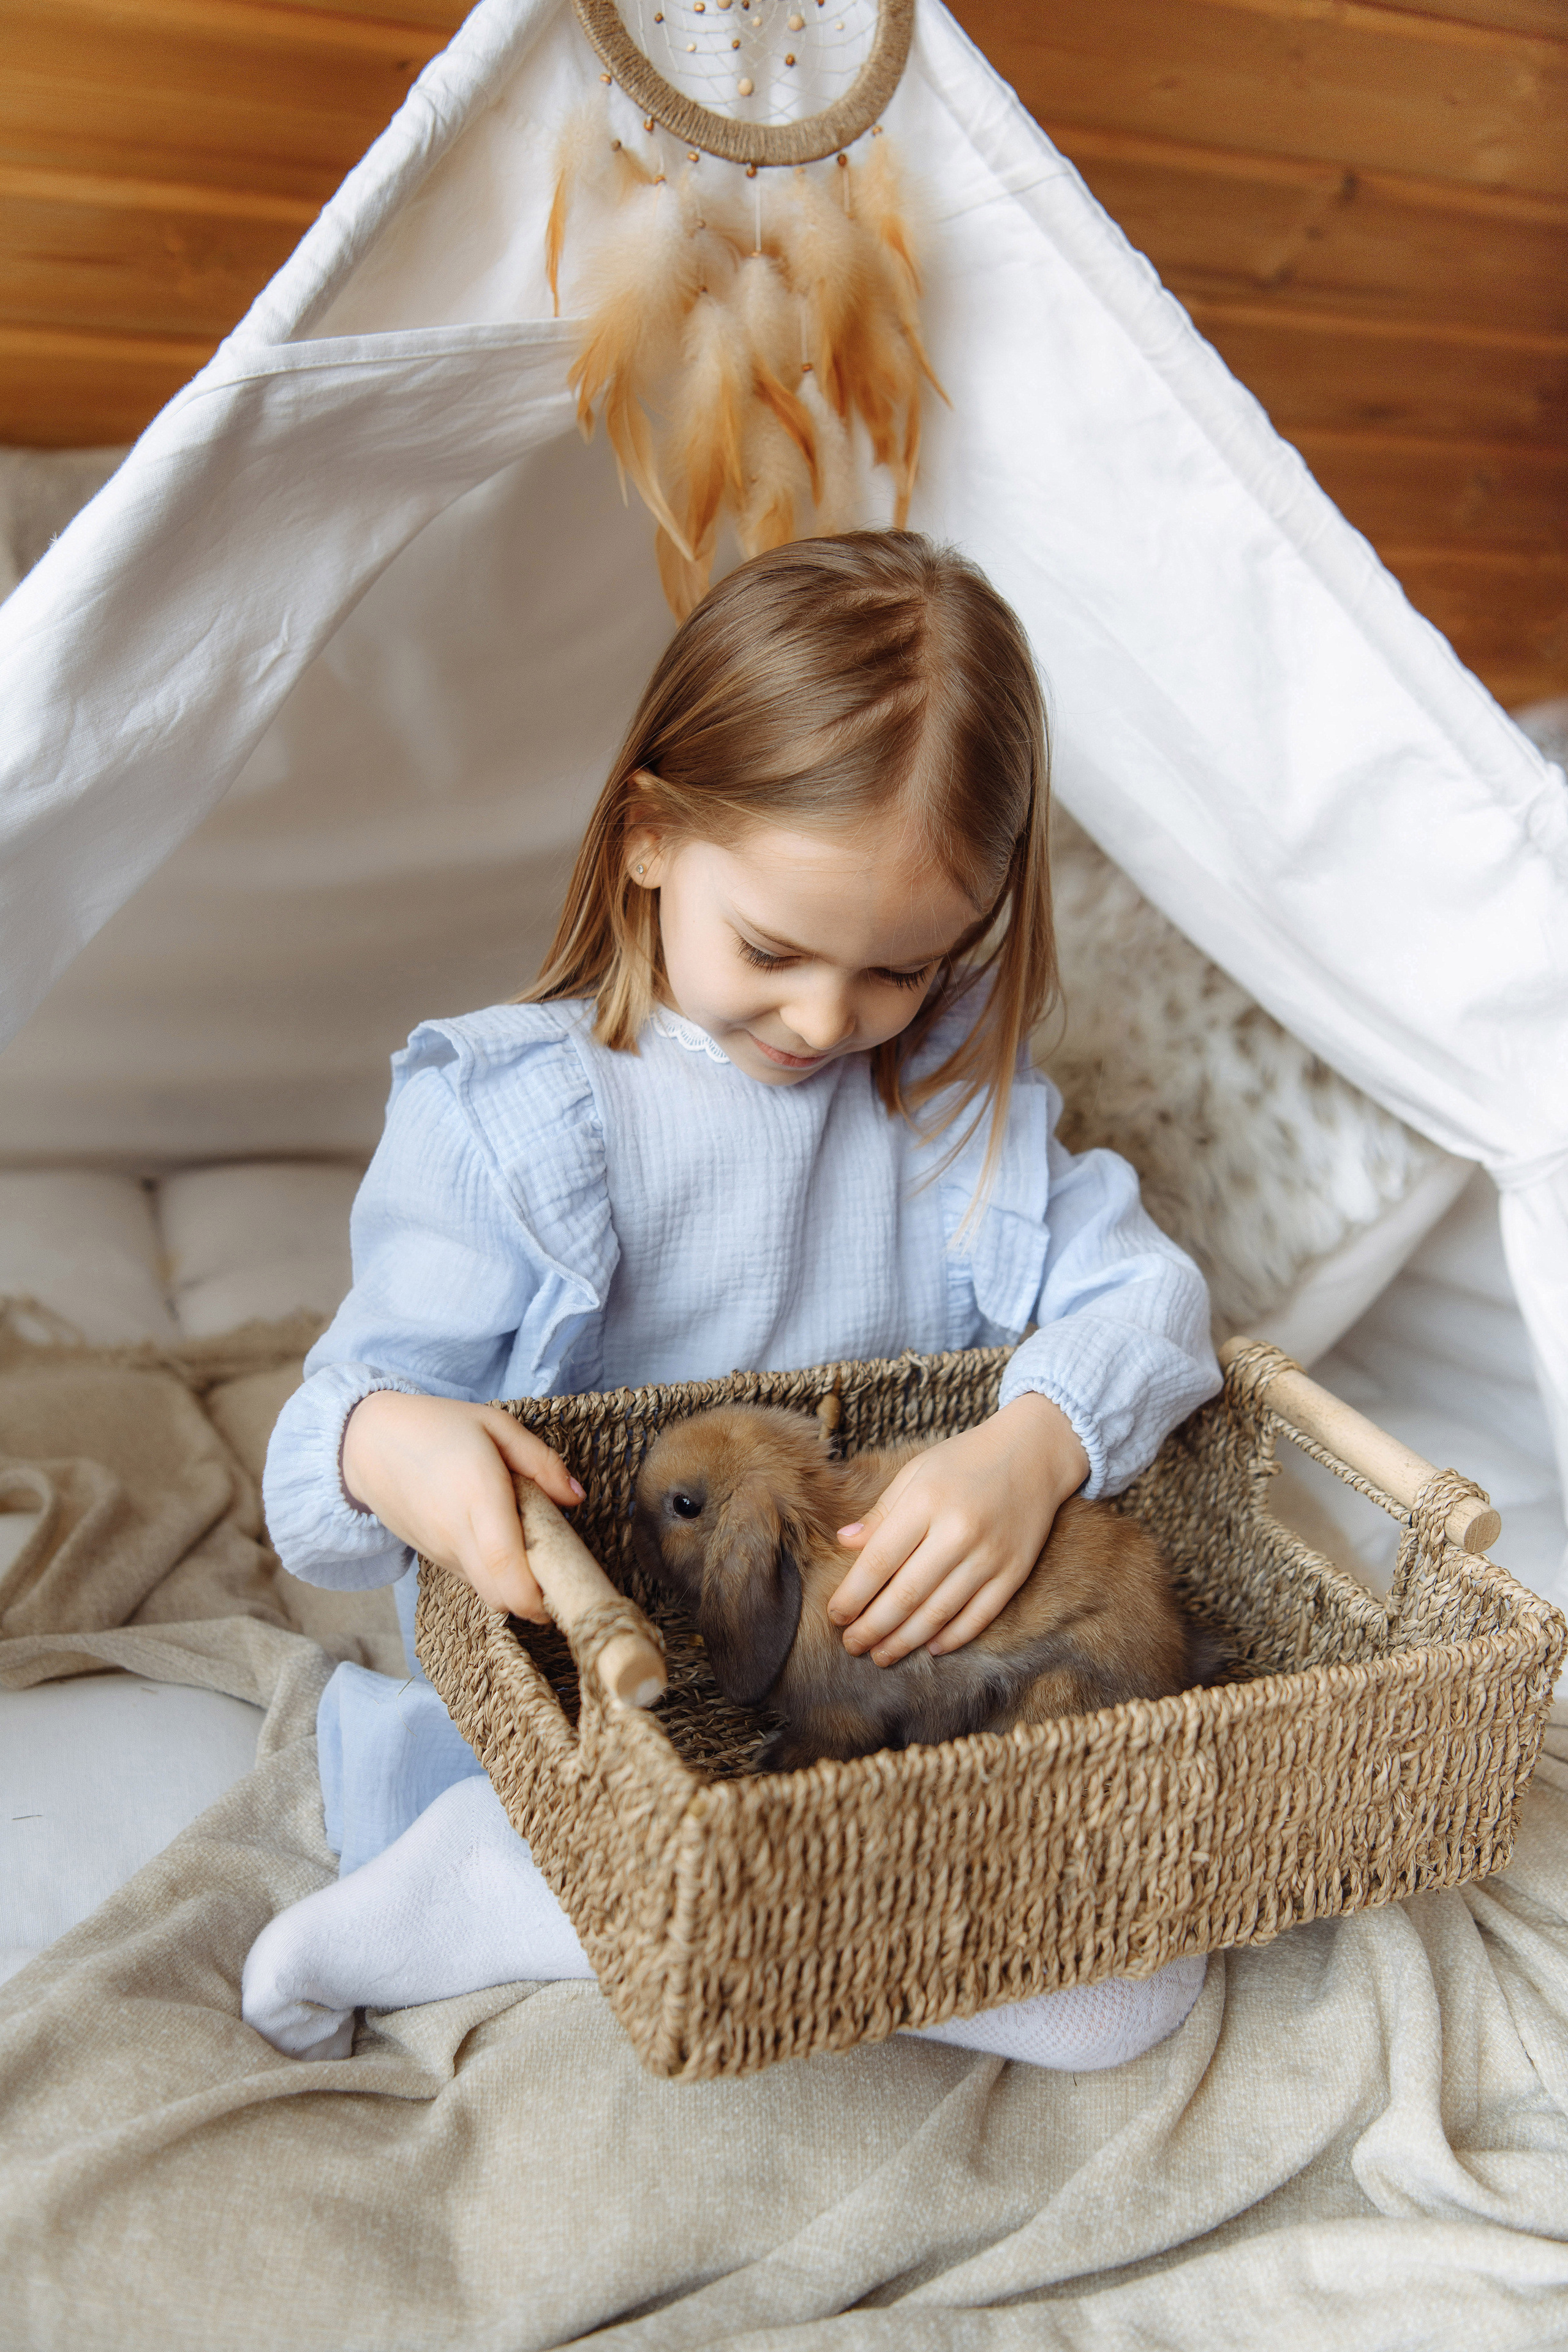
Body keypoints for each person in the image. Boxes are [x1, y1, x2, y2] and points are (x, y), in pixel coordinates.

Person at [244, 531, 1221, 2068]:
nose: (830, 1019)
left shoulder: (953, 1110)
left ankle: (703, 1917)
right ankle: (506, 1876)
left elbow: (1152, 1303)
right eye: (771, 948)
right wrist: (396, 1447)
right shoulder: (518, 1120)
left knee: (1139, 1997)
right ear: (646, 837)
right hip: (614, 1700)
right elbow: (316, 1466)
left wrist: (1031, 1445)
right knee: (617, 1810)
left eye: (902, 970)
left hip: (862, 1717)